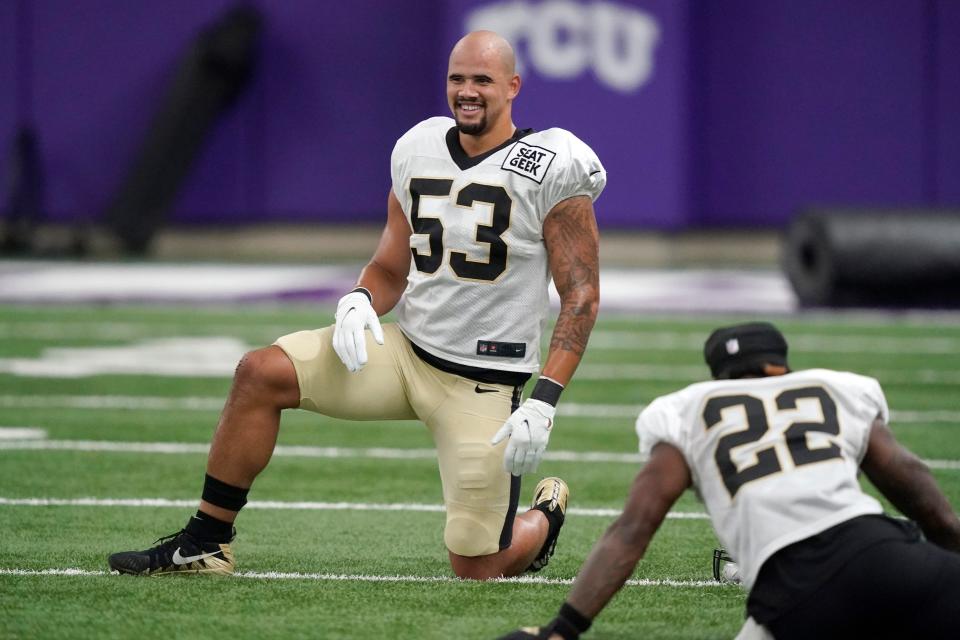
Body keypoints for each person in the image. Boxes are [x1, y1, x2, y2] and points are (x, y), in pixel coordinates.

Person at [107, 30, 605, 581]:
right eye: (457, 78)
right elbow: (390, 267)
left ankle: (543, 518)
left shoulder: (553, 163)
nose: (467, 91)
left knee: (477, 565)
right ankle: (205, 542)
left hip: (483, 383)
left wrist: (546, 399)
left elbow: (580, 294)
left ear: (512, 86)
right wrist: (360, 298)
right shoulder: (418, 147)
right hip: (406, 354)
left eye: (482, 80)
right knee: (260, 372)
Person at [498, 321, 960, 639]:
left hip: (796, 587)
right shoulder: (837, 389)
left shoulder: (690, 409)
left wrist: (564, 628)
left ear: (719, 376)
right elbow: (929, 506)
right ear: (781, 367)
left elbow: (633, 529)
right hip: (891, 555)